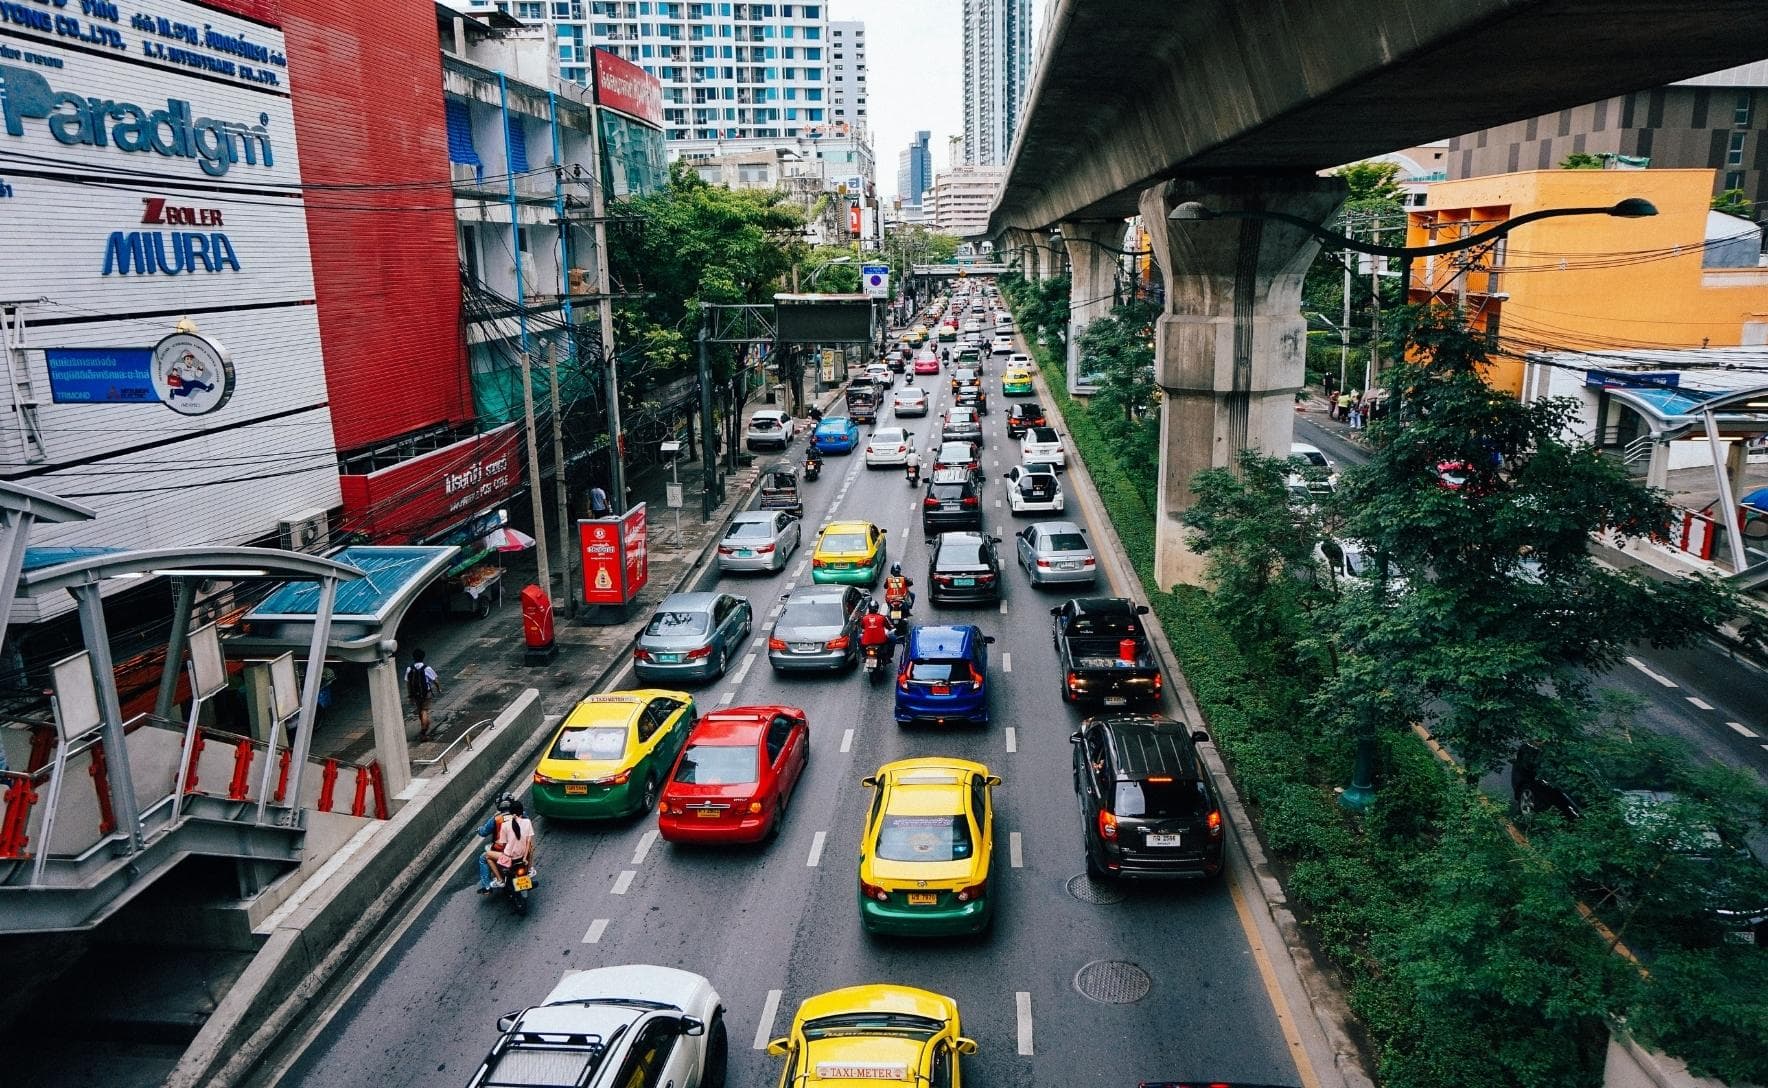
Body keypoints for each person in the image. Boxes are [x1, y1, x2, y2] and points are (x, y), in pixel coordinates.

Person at [477, 794, 536, 892]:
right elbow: (528, 839)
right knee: (530, 845)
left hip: (507, 855)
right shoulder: (523, 816)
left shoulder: (496, 819)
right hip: (522, 853)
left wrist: (479, 830)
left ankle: (489, 885)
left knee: (484, 857)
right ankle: (530, 869)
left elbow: (484, 833)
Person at [406, 650, 440, 742]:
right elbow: (435, 680)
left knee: (420, 710)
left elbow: (408, 683)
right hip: (426, 693)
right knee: (424, 710)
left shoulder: (409, 669)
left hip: (415, 694)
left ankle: (423, 726)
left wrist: (410, 695)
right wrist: (438, 688)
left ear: (413, 657)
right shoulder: (426, 668)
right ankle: (423, 731)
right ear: (423, 657)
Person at [859, 600, 893, 667]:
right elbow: (888, 627)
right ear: (877, 608)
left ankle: (864, 655)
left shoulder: (864, 618)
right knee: (893, 638)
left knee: (858, 638)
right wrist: (891, 628)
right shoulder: (882, 617)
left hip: (866, 642)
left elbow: (862, 627)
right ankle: (888, 656)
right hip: (881, 641)